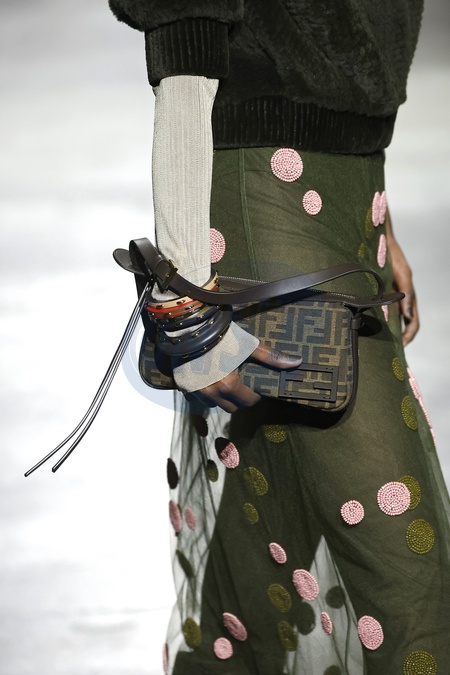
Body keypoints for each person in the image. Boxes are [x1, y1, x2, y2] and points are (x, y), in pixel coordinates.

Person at [108, 2, 450, 673]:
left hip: (349, 199)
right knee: (408, 567)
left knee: (261, 551)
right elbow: (187, 29)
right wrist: (183, 299)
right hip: (267, 199)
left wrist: (377, 222)